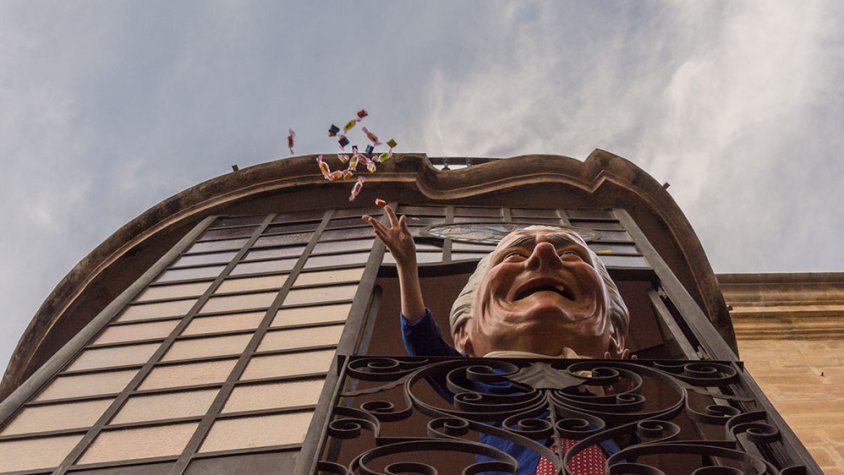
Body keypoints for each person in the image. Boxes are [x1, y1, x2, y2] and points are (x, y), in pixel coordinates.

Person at [362, 199, 634, 474]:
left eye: (572, 254)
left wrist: (620, 402)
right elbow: (424, 342)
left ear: (615, 335)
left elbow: (624, 442)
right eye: (514, 256)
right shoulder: (485, 382)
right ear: (463, 335)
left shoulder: (597, 388)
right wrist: (406, 267)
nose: (544, 251)